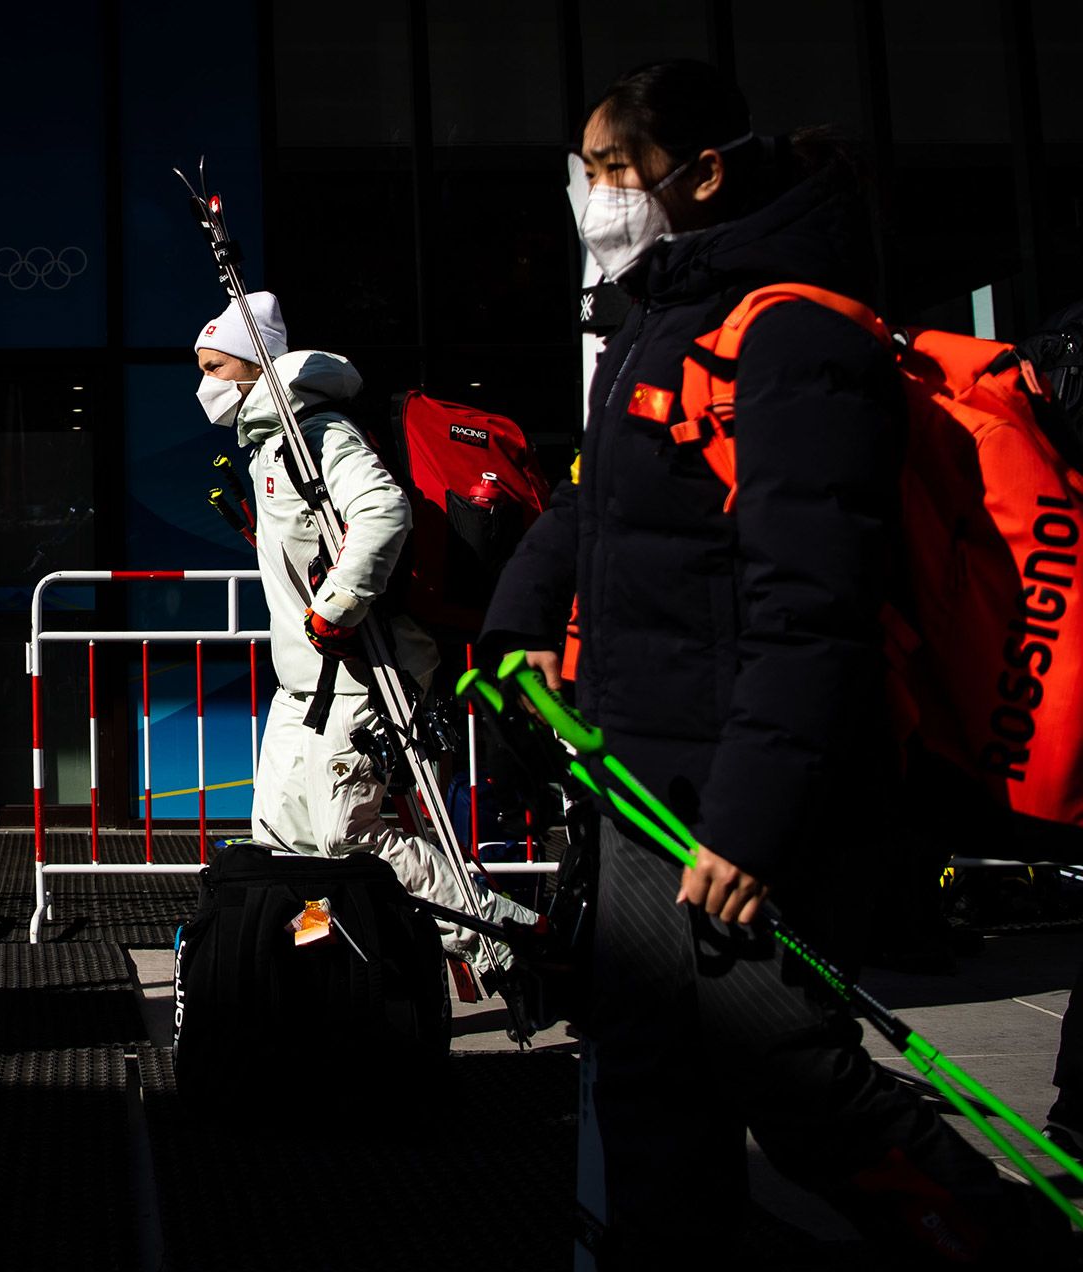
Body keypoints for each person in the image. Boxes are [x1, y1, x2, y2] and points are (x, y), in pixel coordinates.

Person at [483, 59, 1068, 1263]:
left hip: (751, 800)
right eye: (583, 169)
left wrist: (748, 826)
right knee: (649, 1083)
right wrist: (515, 623)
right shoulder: (655, 319)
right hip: (640, 779)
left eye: (611, 169)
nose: (592, 194)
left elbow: (814, 604)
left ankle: (1013, 1244)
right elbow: (592, 507)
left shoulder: (794, 334)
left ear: (697, 174)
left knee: (791, 1077)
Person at [197, 291, 537, 980]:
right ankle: (315, 963)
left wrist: (337, 607)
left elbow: (382, 510)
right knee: (283, 837)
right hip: (306, 684)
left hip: (359, 674)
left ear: (253, 365)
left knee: (343, 835)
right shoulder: (271, 441)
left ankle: (505, 935)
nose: (202, 384)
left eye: (212, 365)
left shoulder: (318, 432)